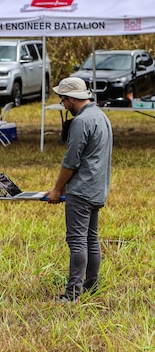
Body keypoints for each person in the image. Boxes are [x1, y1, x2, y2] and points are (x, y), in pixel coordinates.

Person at [46, 77, 113, 303]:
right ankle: (91, 286)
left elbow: (71, 162)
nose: (63, 105)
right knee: (91, 239)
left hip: (82, 191)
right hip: (97, 188)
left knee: (77, 242)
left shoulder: (81, 122)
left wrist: (57, 189)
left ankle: (72, 294)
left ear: (72, 98)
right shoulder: (101, 116)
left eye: (63, 100)